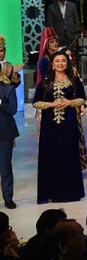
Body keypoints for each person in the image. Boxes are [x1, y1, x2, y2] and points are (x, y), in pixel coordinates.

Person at [0, 71, 16, 209]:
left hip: (4, 134)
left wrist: (0, 102)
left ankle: (8, 198)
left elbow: (12, 109)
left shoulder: (8, 88)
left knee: (5, 168)